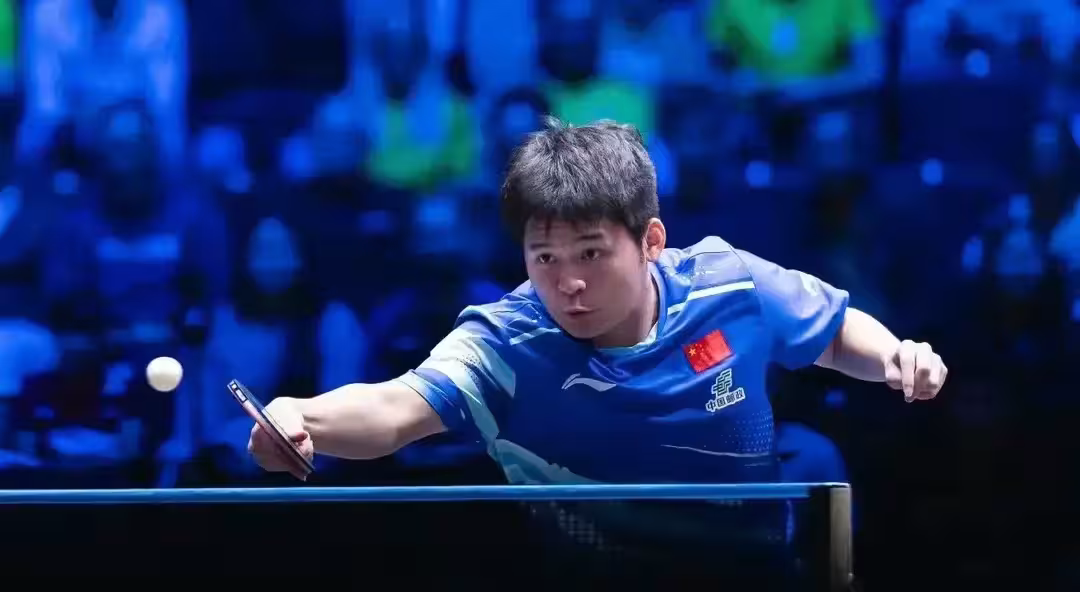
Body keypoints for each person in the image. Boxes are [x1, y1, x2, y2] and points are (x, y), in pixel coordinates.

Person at [248, 119, 946, 580]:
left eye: (590, 253)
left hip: (753, 572)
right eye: (544, 257)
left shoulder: (728, 284)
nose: (568, 283)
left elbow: (831, 331)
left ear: (651, 241)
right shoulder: (507, 338)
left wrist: (895, 356)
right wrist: (303, 417)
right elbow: (396, 409)